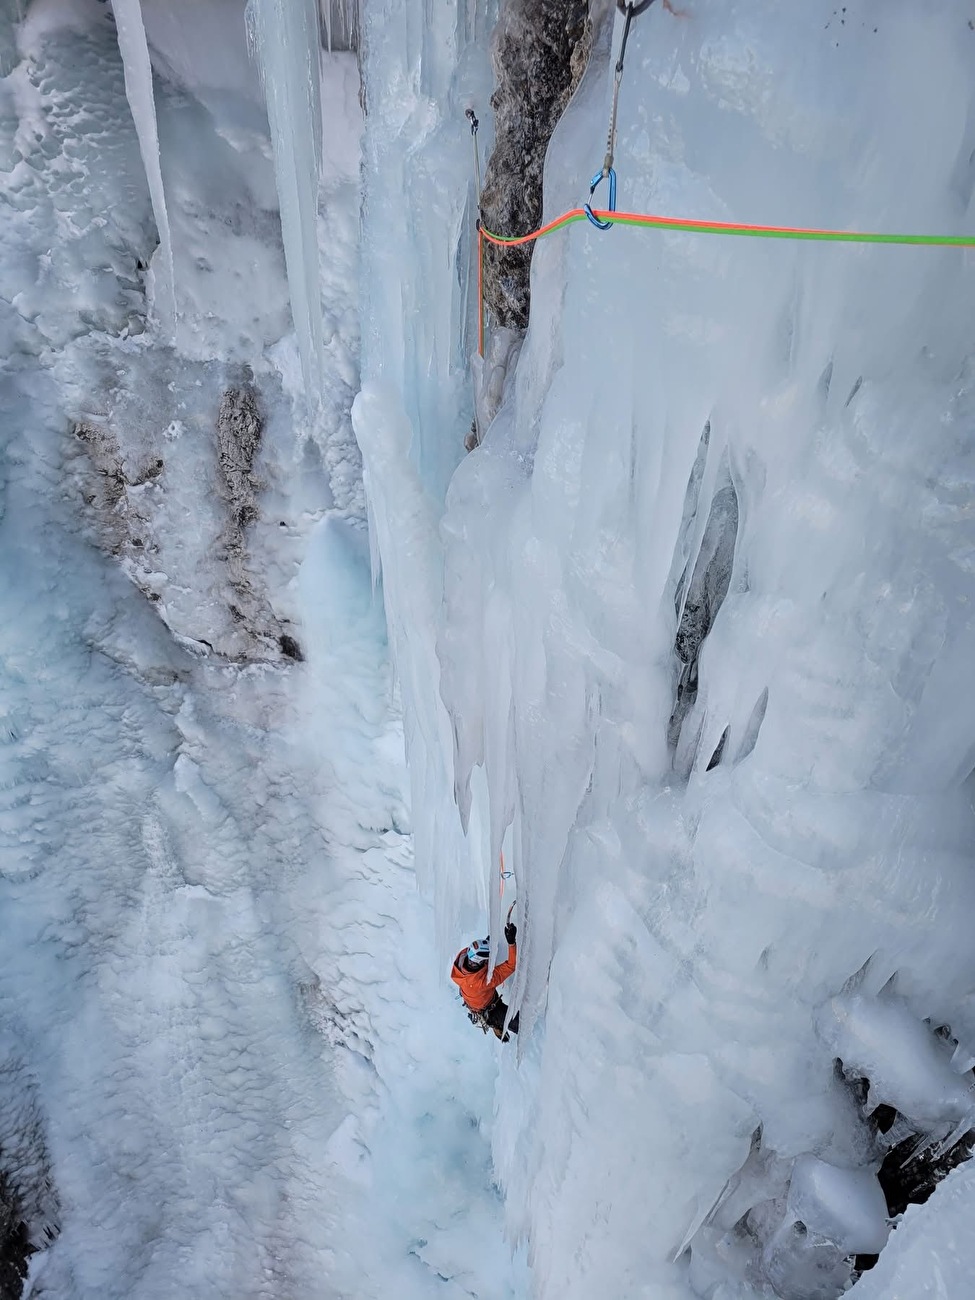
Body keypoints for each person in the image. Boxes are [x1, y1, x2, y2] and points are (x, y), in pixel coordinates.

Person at [451, 918, 520, 1041]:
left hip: (477, 998)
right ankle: (496, 1024)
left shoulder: (461, 960)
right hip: (490, 1009)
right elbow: (511, 965)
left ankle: (495, 1024)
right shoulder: (483, 982)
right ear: (480, 963)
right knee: (520, 1024)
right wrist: (511, 943)